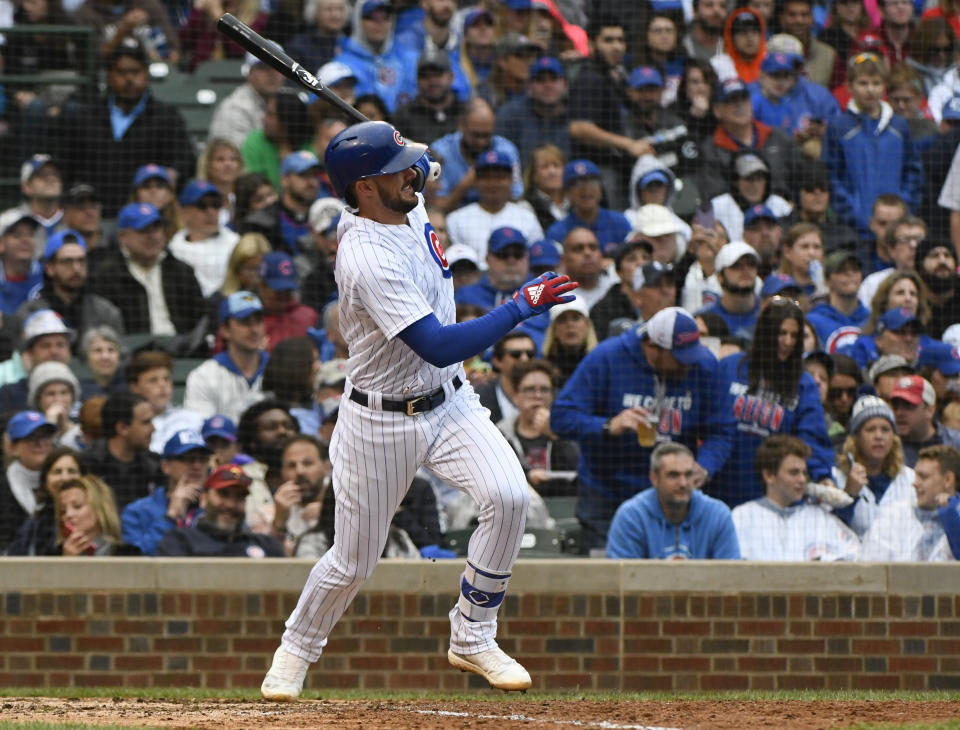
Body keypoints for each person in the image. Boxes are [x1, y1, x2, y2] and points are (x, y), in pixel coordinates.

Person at [258, 120, 578, 700]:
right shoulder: (365, 255)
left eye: (409, 166)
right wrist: (516, 308)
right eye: (396, 170)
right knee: (354, 561)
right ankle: (296, 649)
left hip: (450, 401)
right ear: (364, 189)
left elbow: (432, 167)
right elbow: (438, 343)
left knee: (508, 496)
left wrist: (395, 146)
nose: (414, 175)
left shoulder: (400, 194)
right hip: (379, 418)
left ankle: (474, 634)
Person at [551, 306, 735, 552]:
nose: (688, 365)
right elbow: (562, 418)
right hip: (607, 494)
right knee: (613, 581)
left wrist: (705, 466)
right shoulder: (607, 358)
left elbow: (722, 430)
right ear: (653, 347)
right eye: (680, 358)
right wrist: (607, 425)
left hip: (673, 497)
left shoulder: (704, 365)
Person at [711, 298, 836, 507]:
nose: (787, 342)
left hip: (775, 496)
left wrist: (822, 474)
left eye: (794, 335)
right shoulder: (730, 368)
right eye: (781, 333)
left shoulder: (803, 384)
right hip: (723, 486)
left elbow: (811, 437)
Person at [58, 41, 195, 216]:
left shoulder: (167, 117)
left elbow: (185, 162)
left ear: (146, 74)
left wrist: (171, 175)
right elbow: (68, 164)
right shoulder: (87, 117)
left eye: (135, 72)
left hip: (149, 218)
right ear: (109, 75)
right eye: (122, 72)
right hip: (93, 214)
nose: (129, 79)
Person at [823, 52, 922, 238]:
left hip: (897, 228)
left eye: (876, 83)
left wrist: (903, 208)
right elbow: (831, 176)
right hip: (854, 228)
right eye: (863, 83)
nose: (870, 90)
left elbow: (913, 172)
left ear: (884, 86)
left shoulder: (899, 126)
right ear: (849, 87)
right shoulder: (838, 126)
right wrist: (853, 213)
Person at [732, 435, 860, 560]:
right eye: (794, 473)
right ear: (769, 476)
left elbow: (854, 553)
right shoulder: (743, 516)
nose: (802, 479)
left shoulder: (819, 518)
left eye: (804, 473)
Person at [88, 202, 207, 337]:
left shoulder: (181, 271)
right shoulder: (106, 275)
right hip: (130, 351)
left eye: (156, 229)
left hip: (180, 350)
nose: (153, 236)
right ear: (122, 236)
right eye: (144, 230)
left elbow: (200, 320)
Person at [606, 441, 741, 559]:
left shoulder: (717, 515)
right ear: (654, 478)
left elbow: (731, 577)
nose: (683, 483)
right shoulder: (631, 516)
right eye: (673, 475)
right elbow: (620, 581)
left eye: (688, 474)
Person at [567, 17, 649, 209]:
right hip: (597, 172)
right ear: (591, 43)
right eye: (608, 40)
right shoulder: (589, 77)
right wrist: (628, 144)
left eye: (621, 40)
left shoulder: (611, 76)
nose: (617, 47)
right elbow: (579, 128)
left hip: (615, 171)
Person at [11, 230, 124, 351]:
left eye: (81, 261)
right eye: (67, 262)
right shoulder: (29, 314)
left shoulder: (106, 312)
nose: (76, 268)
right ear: (49, 268)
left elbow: (120, 356)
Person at [698, 78, 800, 204]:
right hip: (732, 218)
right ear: (717, 110)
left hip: (781, 215)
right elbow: (712, 197)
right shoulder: (709, 150)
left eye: (744, 99)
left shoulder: (779, 138)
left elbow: (799, 181)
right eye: (732, 101)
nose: (740, 106)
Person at [156, 463, 284, 557]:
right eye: (223, 494)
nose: (230, 505)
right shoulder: (181, 540)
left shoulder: (266, 544)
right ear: (204, 498)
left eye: (240, 497)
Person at [830, 395, 916, 536]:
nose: (879, 436)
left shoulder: (910, 478)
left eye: (885, 429)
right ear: (856, 438)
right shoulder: (836, 477)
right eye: (870, 429)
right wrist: (849, 495)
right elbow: (830, 533)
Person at [496, 358, 580, 500]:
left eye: (544, 390)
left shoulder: (568, 430)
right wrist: (528, 476)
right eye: (530, 389)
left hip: (562, 503)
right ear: (516, 396)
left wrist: (554, 434)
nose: (538, 396)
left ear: (552, 396)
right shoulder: (500, 433)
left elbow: (578, 470)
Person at [860, 444, 959, 561]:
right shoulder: (893, 514)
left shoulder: (956, 515)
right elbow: (871, 565)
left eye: (923, 477)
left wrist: (952, 521)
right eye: (916, 475)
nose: (914, 483)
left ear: (948, 480)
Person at [120, 429, 209, 556]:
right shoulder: (136, 511)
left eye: (203, 459)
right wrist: (170, 517)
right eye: (188, 459)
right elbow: (137, 563)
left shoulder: (217, 508)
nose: (197, 466)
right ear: (165, 466)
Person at [184, 291, 269, 422]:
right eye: (245, 322)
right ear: (225, 330)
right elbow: (200, 429)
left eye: (258, 321)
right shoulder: (204, 376)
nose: (254, 330)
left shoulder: (279, 369)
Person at [429, 97, 523, 212]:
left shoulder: (506, 150)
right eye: (476, 135)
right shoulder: (440, 151)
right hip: (452, 218)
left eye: (487, 135)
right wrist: (464, 186)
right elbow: (435, 208)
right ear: (461, 125)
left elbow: (516, 197)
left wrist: (491, 184)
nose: (481, 142)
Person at [446, 151, 544, 261]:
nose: (493, 183)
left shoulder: (527, 218)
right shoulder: (456, 219)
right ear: (476, 181)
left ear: (511, 180)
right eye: (487, 177)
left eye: (500, 177)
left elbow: (538, 259)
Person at [80, 392, 163, 510]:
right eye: (146, 422)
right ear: (122, 428)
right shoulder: (88, 464)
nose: (153, 428)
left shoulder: (154, 464)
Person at [332, 0, 418, 113]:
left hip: (402, 127)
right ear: (358, 21)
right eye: (372, 17)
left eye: (385, 17)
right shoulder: (340, 66)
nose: (379, 23)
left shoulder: (408, 59)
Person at [5, 447, 85, 556]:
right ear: (45, 481)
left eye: (72, 471)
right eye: (57, 472)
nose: (65, 478)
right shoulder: (33, 527)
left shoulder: (95, 517)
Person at [494, 56, 571, 166]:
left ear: (565, 84)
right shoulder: (510, 115)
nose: (547, 85)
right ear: (529, 86)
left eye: (553, 79)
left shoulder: (576, 114)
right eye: (540, 80)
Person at [168, 181, 240, 298]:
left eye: (216, 205)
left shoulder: (235, 243)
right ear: (184, 211)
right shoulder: (173, 249)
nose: (211, 212)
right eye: (202, 205)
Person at [126, 350, 204, 454]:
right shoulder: (130, 427)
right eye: (153, 380)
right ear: (134, 387)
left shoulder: (192, 418)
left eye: (166, 379)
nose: (162, 385)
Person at [546, 160, 631, 255]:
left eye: (592, 182)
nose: (586, 189)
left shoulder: (620, 222)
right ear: (567, 193)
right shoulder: (557, 232)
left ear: (600, 189)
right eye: (578, 183)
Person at [0, 411, 57, 552]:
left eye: (45, 436)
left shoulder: (63, 478)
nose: (41, 443)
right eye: (32, 437)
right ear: (13, 447)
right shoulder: (3, 487)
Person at [709, 152, 792, 247]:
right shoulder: (713, 205)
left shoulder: (781, 204)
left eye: (759, 178)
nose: (755, 184)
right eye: (749, 178)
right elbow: (701, 239)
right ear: (735, 181)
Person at [0, 309, 74, 414]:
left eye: (60, 345)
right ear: (30, 353)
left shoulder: (86, 391)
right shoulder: (9, 395)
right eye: (45, 346)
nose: (54, 351)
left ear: (69, 351)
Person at [782, 161, 859, 256]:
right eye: (810, 187)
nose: (817, 193)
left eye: (823, 187)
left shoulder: (844, 236)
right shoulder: (783, 231)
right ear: (799, 192)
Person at [208, 55, 286, 149]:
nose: (272, 73)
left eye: (278, 67)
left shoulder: (291, 101)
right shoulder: (234, 108)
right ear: (249, 73)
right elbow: (233, 158)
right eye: (263, 67)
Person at [392, 51, 466, 145]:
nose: (432, 81)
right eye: (425, 76)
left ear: (451, 77)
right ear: (417, 80)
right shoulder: (402, 117)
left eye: (438, 75)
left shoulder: (465, 112)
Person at [55, 475, 139, 556]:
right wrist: (67, 562)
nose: (68, 514)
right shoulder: (54, 554)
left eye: (77, 506)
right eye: (63, 511)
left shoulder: (129, 554)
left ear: (99, 508)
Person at [695, 241, 761, 342]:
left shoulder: (767, 313)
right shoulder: (703, 319)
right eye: (736, 266)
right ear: (719, 276)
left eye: (751, 264)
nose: (746, 269)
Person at [806, 249, 870, 354]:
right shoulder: (813, 321)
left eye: (855, 269)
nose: (850, 274)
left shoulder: (872, 320)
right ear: (827, 281)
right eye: (842, 271)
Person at [857, 216, 927, 310]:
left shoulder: (939, 279)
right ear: (891, 250)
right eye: (905, 240)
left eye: (919, 240)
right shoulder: (874, 283)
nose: (913, 245)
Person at [890, 375, 960, 467]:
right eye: (895, 406)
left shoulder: (955, 443)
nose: (899, 413)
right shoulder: (888, 448)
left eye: (908, 406)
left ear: (930, 410)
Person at [591, 239, 653, 340]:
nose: (641, 263)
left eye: (646, 258)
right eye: (632, 259)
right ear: (618, 271)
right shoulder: (603, 309)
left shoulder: (663, 296)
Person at [257, 253, 319, 352]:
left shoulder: (308, 316)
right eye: (278, 290)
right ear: (262, 287)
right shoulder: (252, 321)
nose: (284, 295)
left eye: (287, 289)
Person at [779, 0, 837, 86]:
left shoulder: (829, 55)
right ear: (782, 19)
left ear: (812, 18)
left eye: (804, 15)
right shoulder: (769, 51)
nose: (799, 20)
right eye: (792, 15)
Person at [27, 361, 83, 449]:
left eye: (64, 393)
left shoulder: (82, 432)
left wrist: (65, 427)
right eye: (51, 394)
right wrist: (50, 424)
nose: (58, 399)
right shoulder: (28, 432)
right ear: (38, 400)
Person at [542, 299, 597, 386]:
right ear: (554, 330)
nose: (569, 324)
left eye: (576, 318)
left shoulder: (600, 364)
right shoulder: (544, 370)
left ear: (587, 326)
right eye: (562, 319)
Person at [557, 228, 615, 311]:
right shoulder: (553, 294)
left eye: (593, 247)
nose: (587, 253)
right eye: (578, 249)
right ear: (563, 259)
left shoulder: (614, 287)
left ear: (601, 255)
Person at [0, 209, 43, 317]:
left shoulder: (47, 277)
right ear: (1, 244)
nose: (25, 240)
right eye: (17, 235)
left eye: (30, 234)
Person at [916, 239, 960, 339]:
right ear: (920, 267)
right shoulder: (912, 300)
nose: (942, 261)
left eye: (947, 255)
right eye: (934, 255)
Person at [78, 326, 125, 397]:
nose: (105, 357)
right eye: (98, 350)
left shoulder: (133, 388)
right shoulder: (77, 391)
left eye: (111, 350)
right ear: (86, 357)